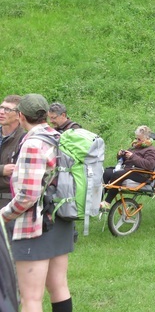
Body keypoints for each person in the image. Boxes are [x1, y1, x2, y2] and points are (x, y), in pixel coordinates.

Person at [0, 94, 74, 312]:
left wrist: (3, 215)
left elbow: (27, 196)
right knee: (59, 286)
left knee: (31, 298)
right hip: (60, 218)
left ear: (21, 116)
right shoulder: (57, 136)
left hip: (35, 225)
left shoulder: (33, 143)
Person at [101, 125, 155, 208]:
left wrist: (132, 156)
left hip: (141, 174)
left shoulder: (151, 150)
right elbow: (125, 161)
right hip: (129, 170)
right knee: (107, 172)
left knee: (117, 175)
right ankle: (98, 200)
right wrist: (120, 155)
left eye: (139, 139)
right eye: (136, 138)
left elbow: (149, 165)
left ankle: (107, 202)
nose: (137, 140)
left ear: (147, 138)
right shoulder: (135, 147)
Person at [0, 95, 25, 213]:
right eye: (1, 107)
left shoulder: (25, 140)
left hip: (9, 205)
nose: (1, 112)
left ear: (19, 115)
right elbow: (7, 173)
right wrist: (2, 170)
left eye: (8, 110)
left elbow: (18, 177)